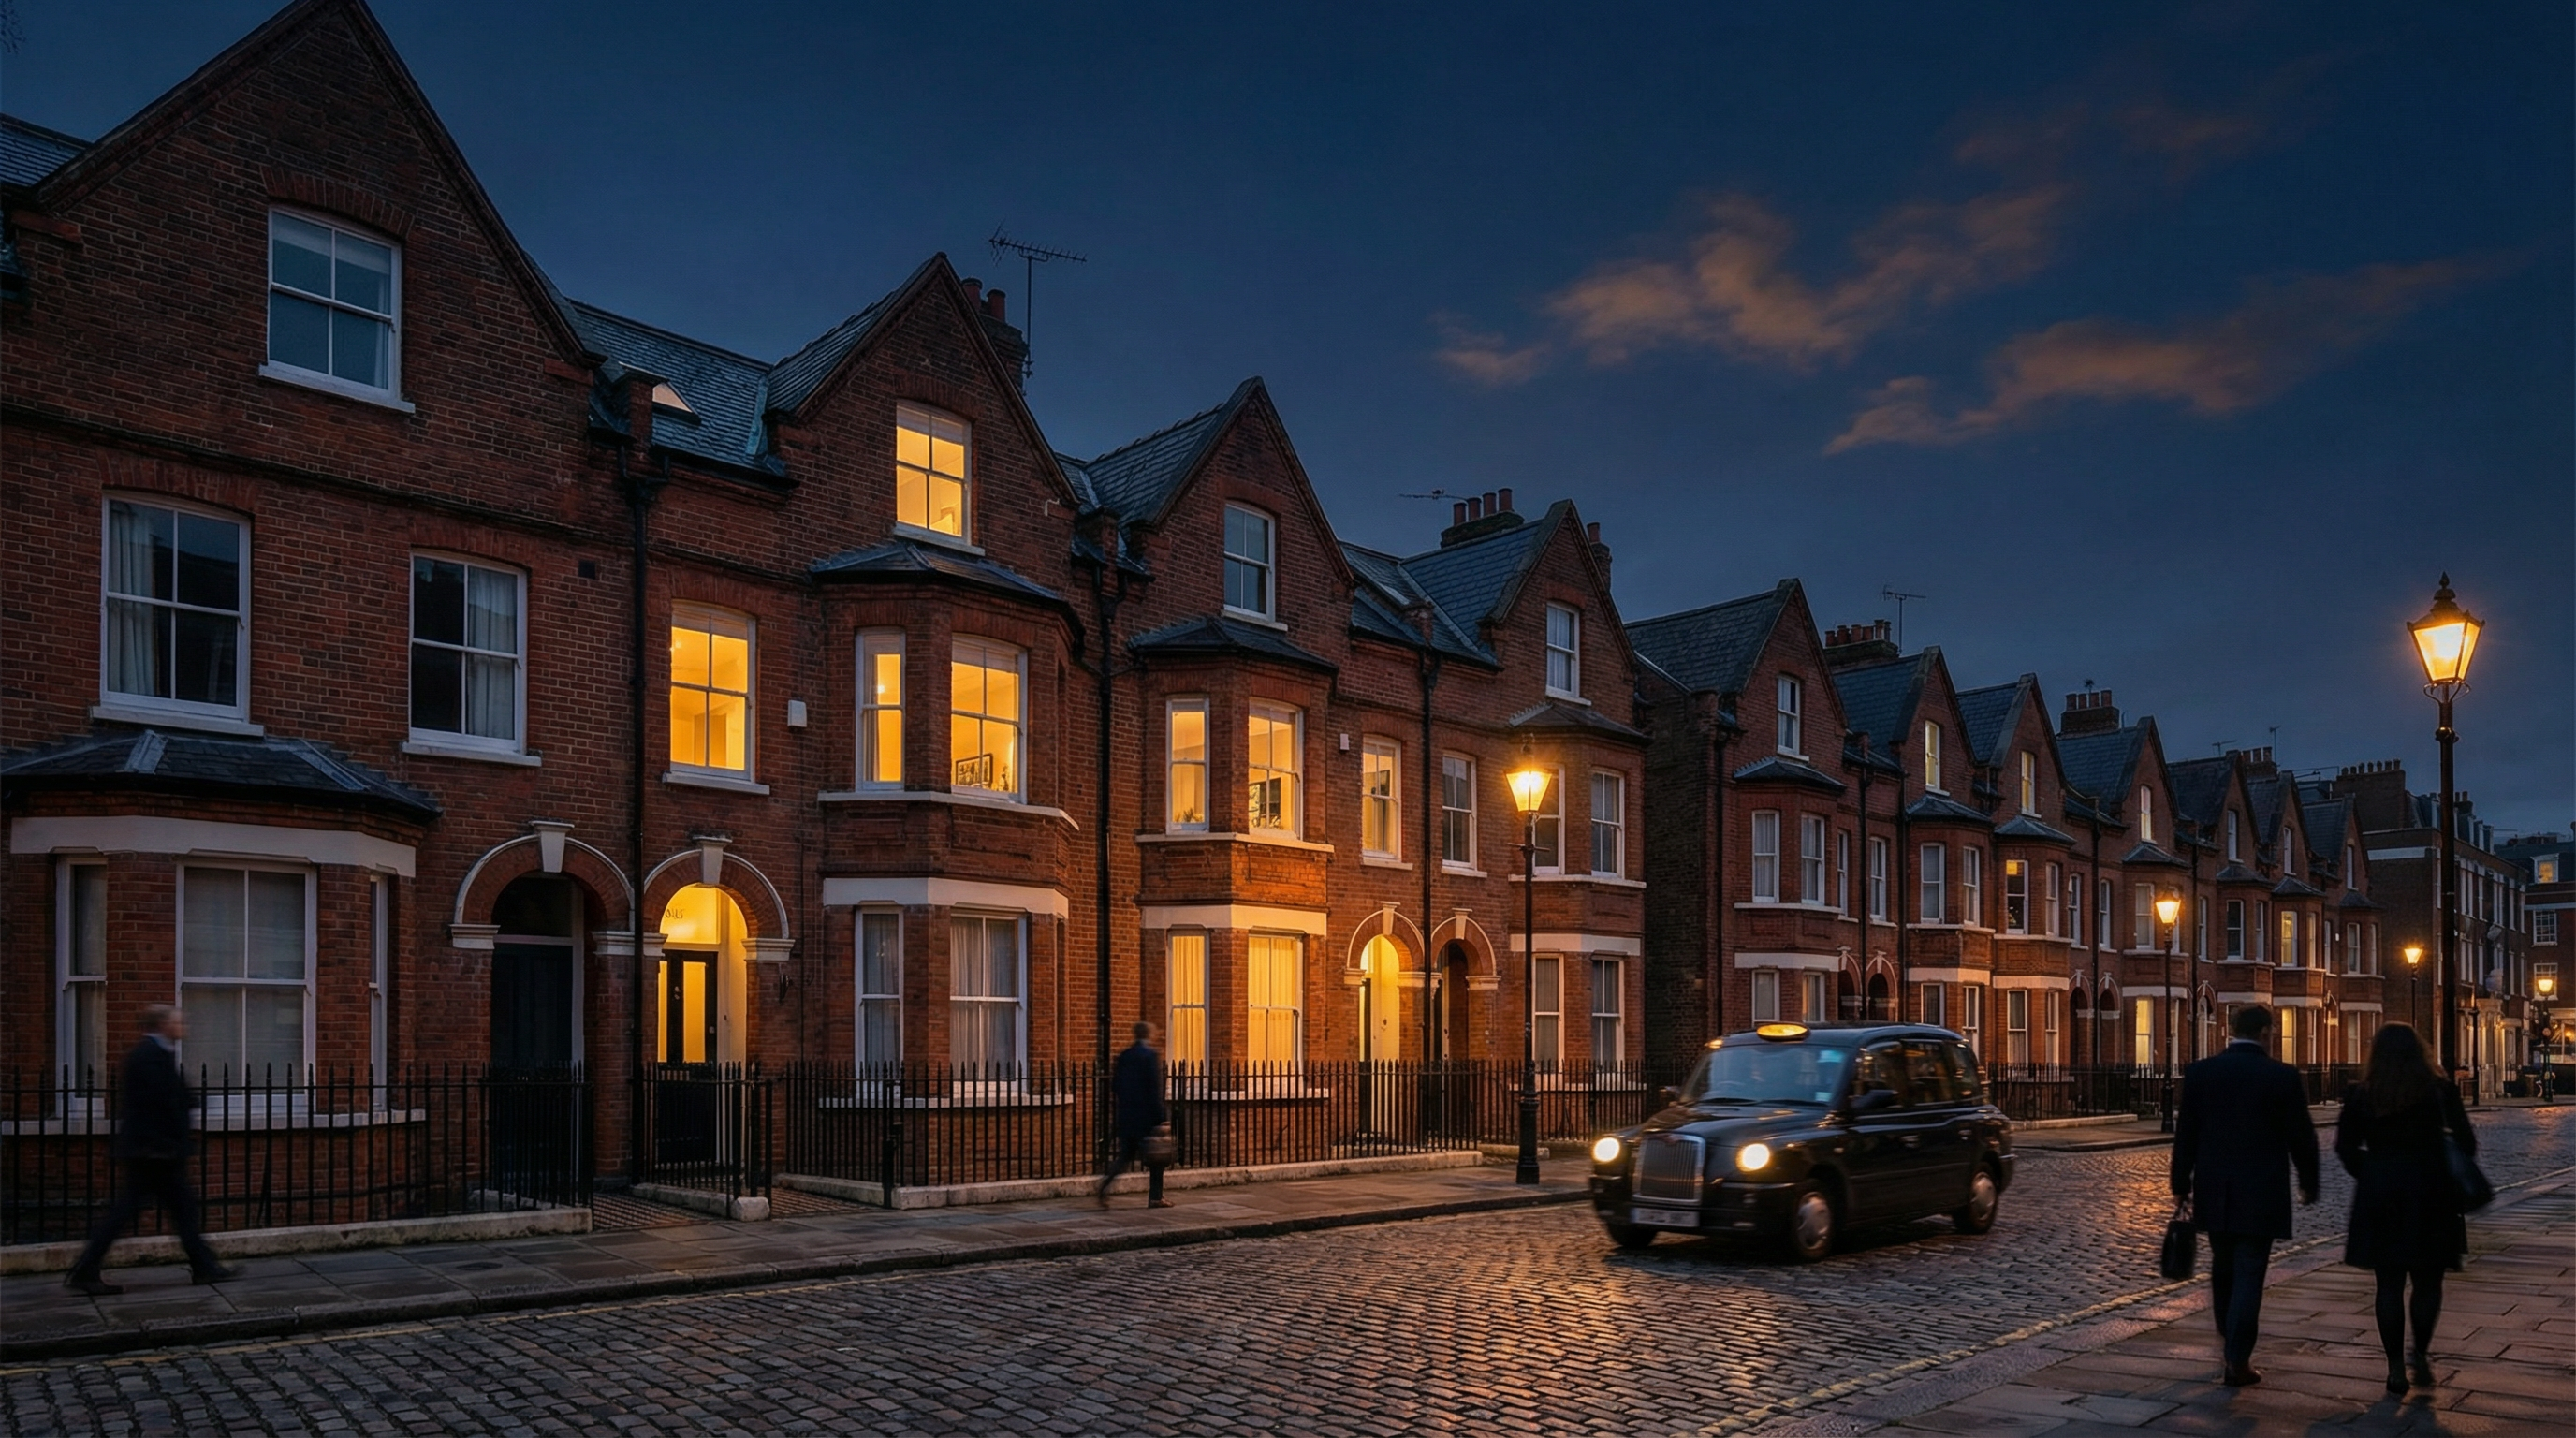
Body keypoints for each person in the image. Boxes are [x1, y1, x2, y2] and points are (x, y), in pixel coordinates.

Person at [2171, 1004, 2320, 1387]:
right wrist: (2308, 1180)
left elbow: (2186, 1132)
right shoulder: (2282, 1077)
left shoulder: (2202, 1073)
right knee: (2250, 1271)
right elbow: (2301, 1137)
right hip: (2262, 1189)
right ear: (2267, 1032)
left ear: (2232, 1030)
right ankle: (2237, 1358)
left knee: (2223, 1266)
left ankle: (2228, 1337)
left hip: (2215, 1187)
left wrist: (2180, 1184)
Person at [2337, 1023, 2475, 1396]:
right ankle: (2421, 1354)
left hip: (2381, 1195)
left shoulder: (2362, 1094)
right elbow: (2466, 1142)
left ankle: (2395, 1367)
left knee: (2388, 1283)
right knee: (2429, 1281)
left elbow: (2345, 1148)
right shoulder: (2440, 1091)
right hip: (2432, 1194)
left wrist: (2372, 1171)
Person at [65, 1005, 239, 1295]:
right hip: (154, 1154)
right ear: (162, 1025)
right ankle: (85, 1271)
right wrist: (167, 1140)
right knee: (132, 1214)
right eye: (177, 1021)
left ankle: (205, 1267)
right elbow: (154, 1106)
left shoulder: (159, 1054)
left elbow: (173, 1098)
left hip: (158, 1152)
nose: (183, 1026)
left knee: (180, 1212)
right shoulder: (147, 1056)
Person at [1097, 1021, 1173, 1210]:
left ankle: (1104, 1188)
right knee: (1157, 1160)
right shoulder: (1150, 1056)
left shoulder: (1124, 1056)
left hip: (1127, 1116)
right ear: (1149, 1034)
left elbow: (1115, 1086)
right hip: (1146, 1117)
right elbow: (1154, 1089)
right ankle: (1156, 1197)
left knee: (1124, 1157)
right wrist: (1161, 1117)